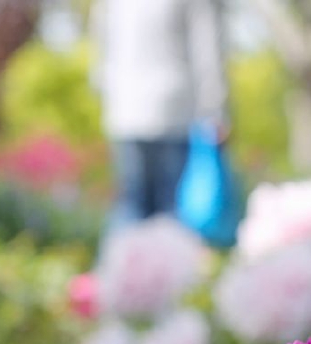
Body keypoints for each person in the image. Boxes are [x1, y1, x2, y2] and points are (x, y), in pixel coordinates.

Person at [91, 0, 229, 226]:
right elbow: (207, 50)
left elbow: (100, 48)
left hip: (125, 110)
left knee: (132, 206)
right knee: (172, 209)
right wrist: (215, 109)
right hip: (174, 109)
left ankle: (124, 258)